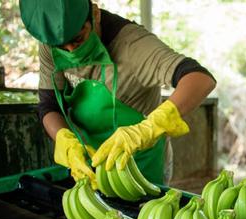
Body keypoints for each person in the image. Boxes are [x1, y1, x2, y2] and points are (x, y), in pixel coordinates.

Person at [19, 0, 216, 188]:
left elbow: (200, 78)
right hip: (91, 167)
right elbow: (49, 105)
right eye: (61, 48)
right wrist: (65, 141)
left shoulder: (133, 45)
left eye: (78, 39)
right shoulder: (52, 42)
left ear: (94, 14)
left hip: (141, 166)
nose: (70, 51)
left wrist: (150, 127)